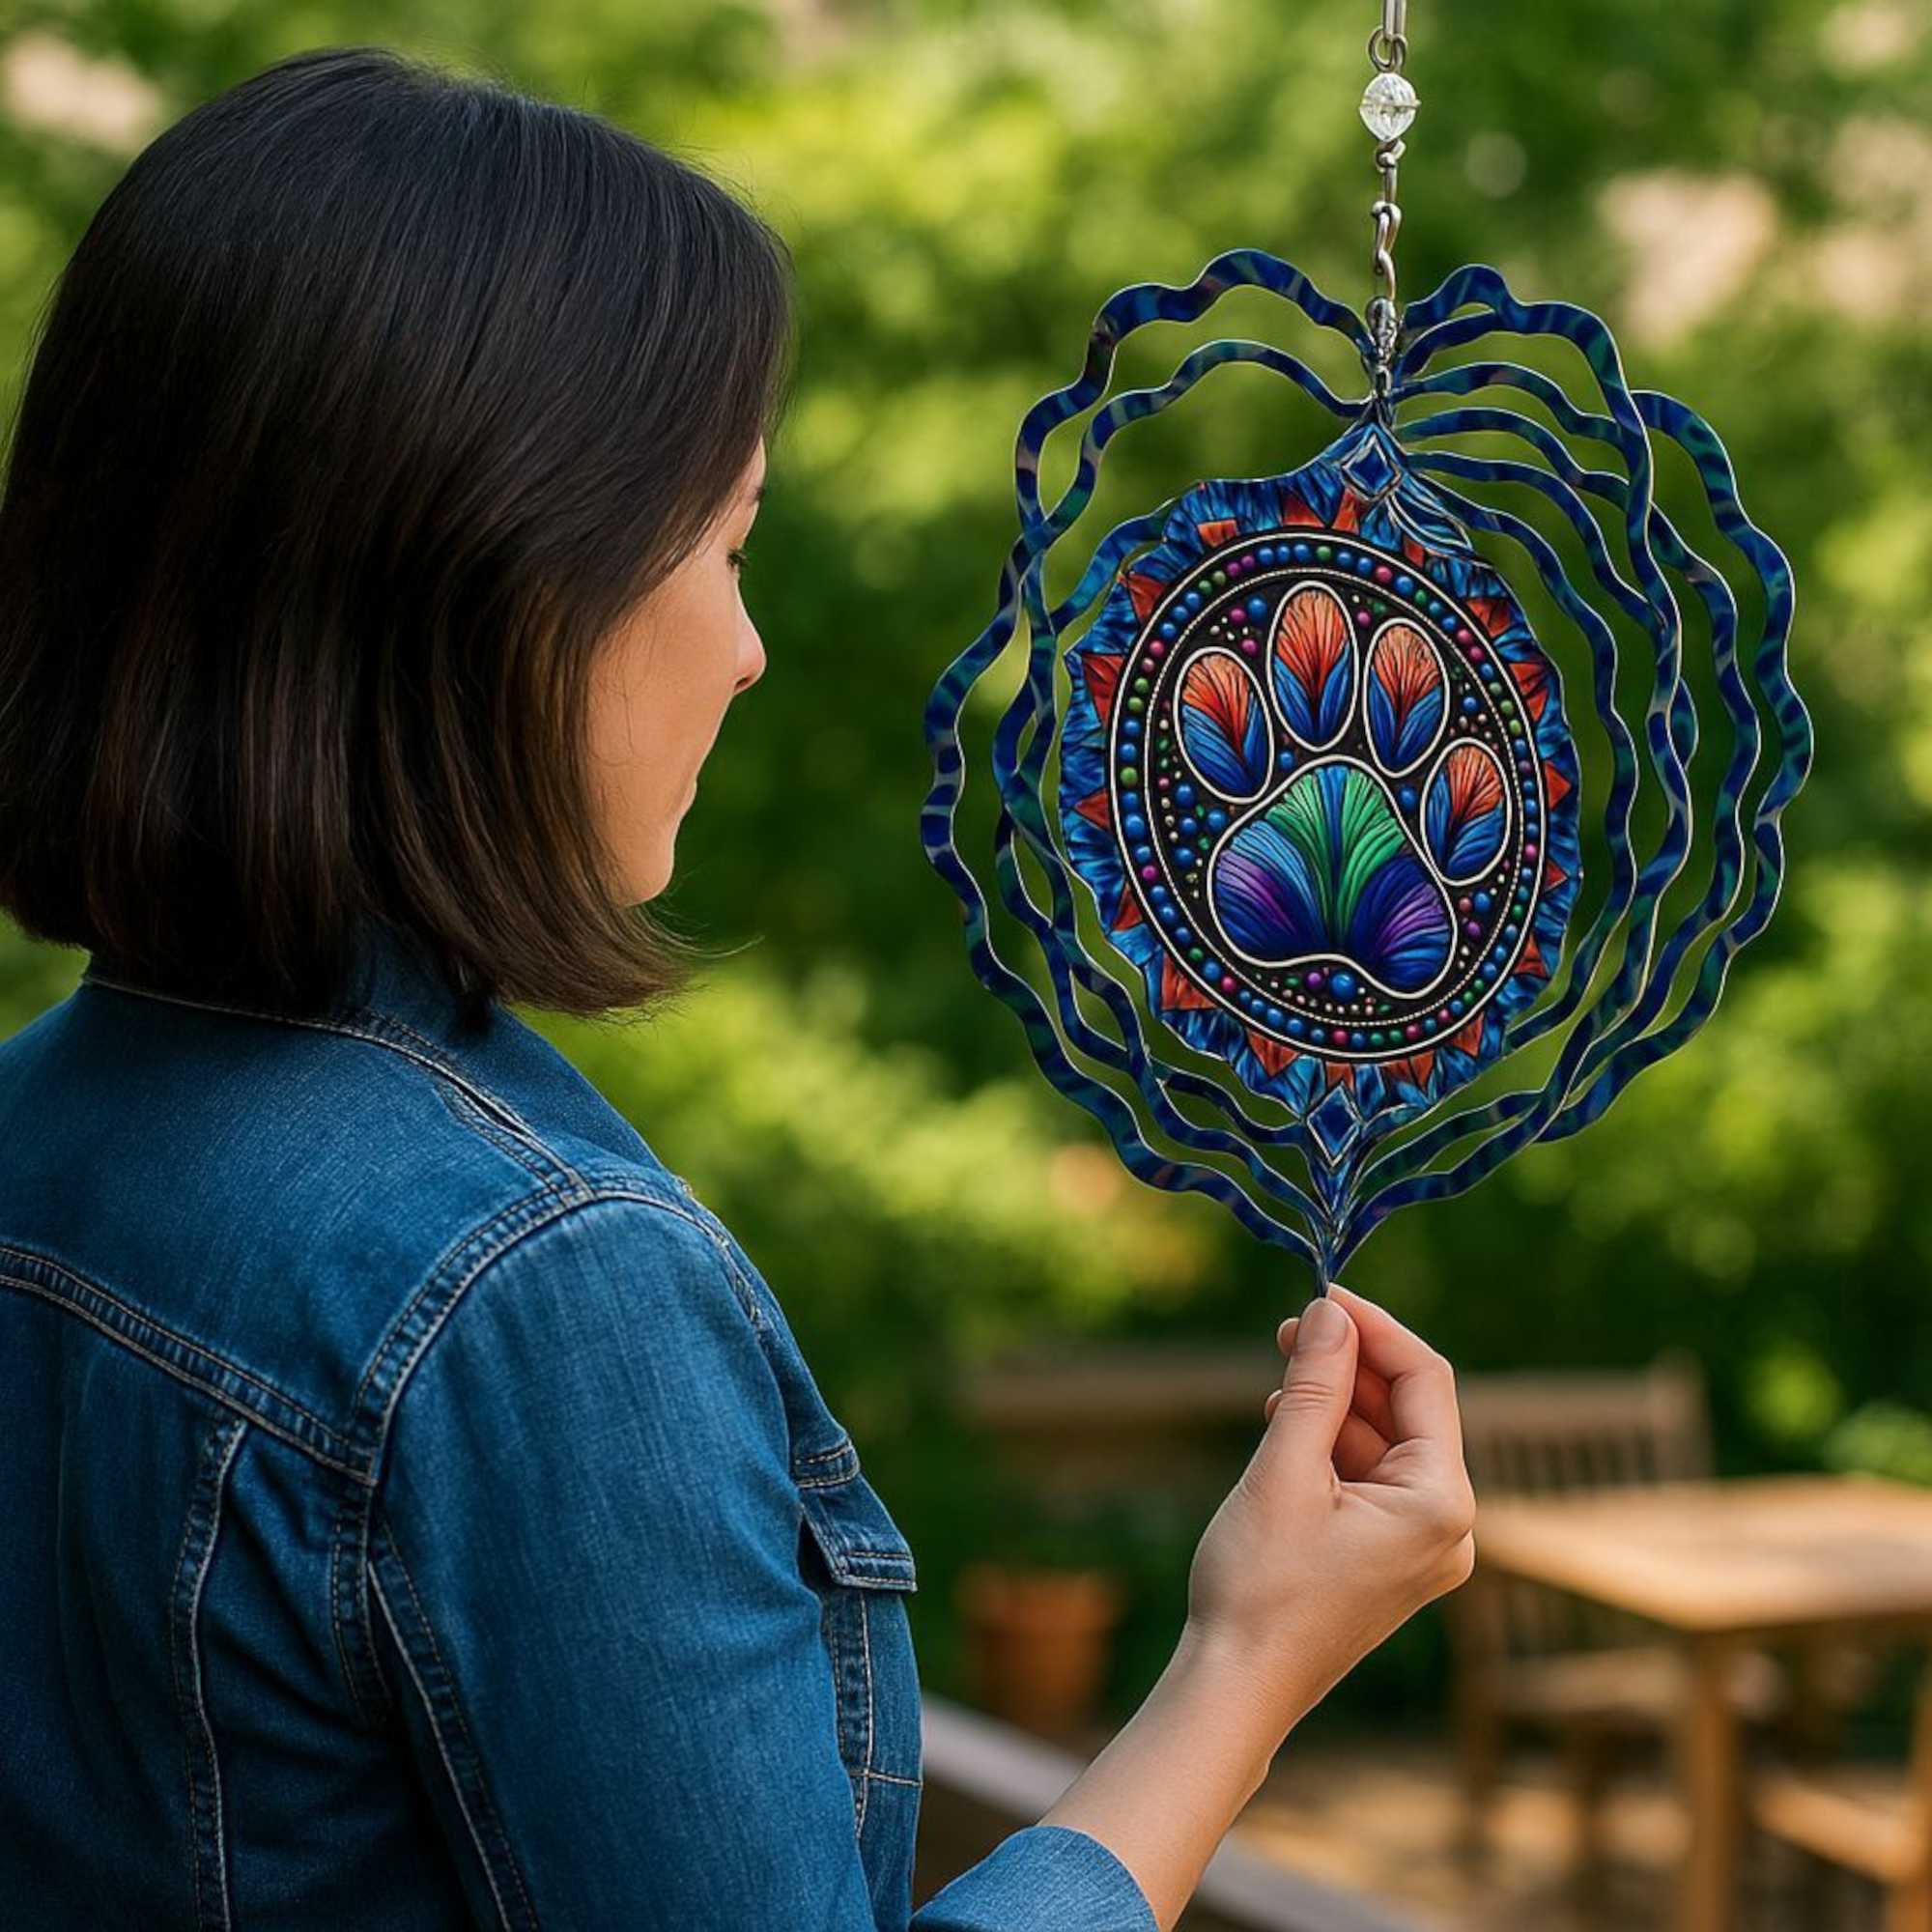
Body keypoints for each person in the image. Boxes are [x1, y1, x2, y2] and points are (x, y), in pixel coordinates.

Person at [0, 43, 1477, 1932]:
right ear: (501, 576)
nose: (750, 647)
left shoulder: (45, 1133)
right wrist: (1246, 1667)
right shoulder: (532, 1297)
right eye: (722, 542)